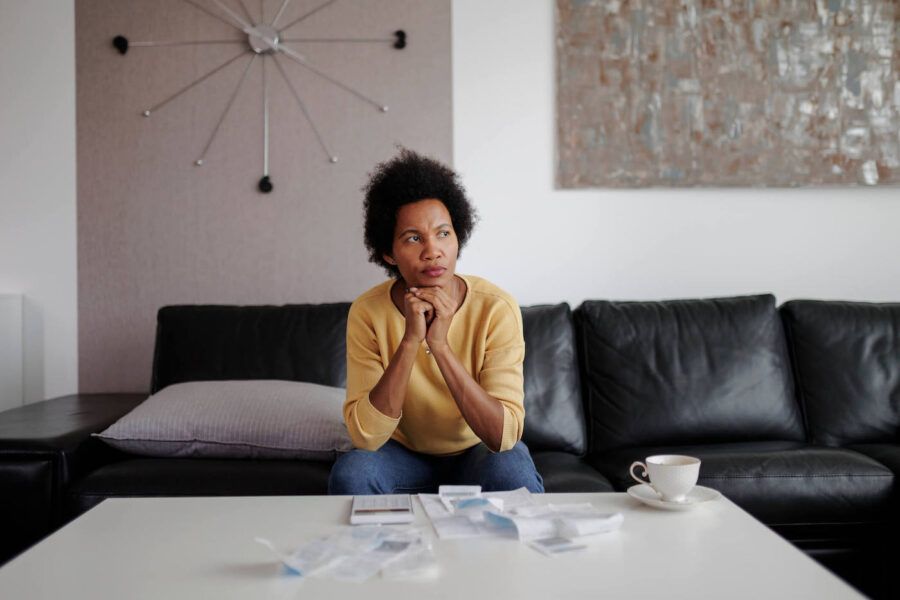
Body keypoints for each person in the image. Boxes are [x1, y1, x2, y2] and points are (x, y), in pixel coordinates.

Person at [328, 149, 544, 495]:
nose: (433, 250)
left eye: (443, 233)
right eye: (414, 238)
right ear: (388, 252)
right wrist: (411, 341)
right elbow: (366, 436)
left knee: (511, 468)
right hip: (399, 456)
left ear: (458, 237)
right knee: (353, 472)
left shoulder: (496, 307)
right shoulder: (368, 312)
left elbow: (502, 436)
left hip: (476, 452)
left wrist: (440, 346)